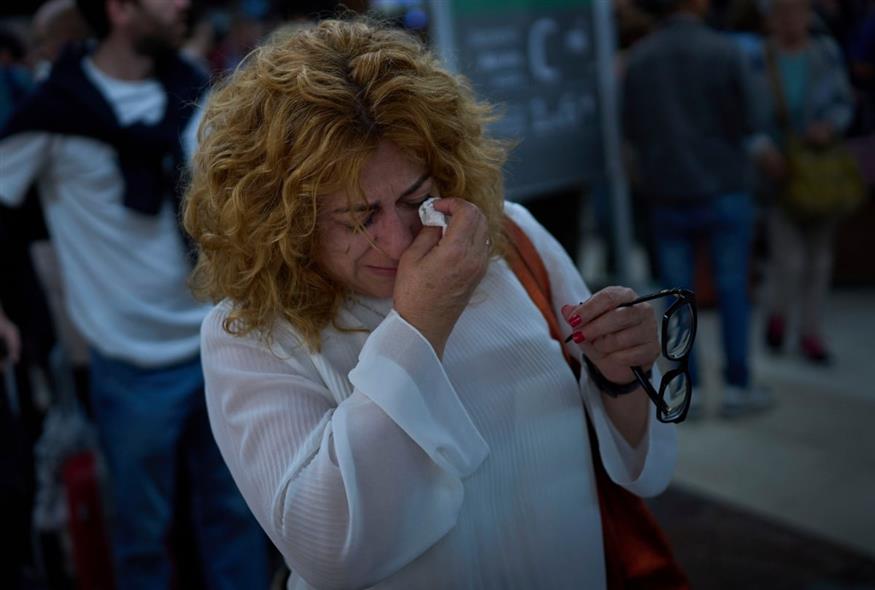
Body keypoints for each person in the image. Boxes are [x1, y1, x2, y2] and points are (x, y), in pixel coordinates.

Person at [183, 18, 680, 589]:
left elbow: (637, 464)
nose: (398, 242)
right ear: (285, 221)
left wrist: (620, 375)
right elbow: (330, 550)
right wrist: (419, 325)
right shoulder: (248, 332)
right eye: (359, 217)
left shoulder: (507, 237)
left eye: (415, 198)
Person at [0, 0, 270, 587]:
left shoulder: (192, 87)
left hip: (220, 341)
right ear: (120, 8)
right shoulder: (56, 111)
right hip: (130, 364)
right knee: (143, 540)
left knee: (236, 517)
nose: (183, 5)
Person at [622, 0, 779, 418]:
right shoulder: (725, 50)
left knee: (677, 298)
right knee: (733, 287)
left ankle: (684, 390)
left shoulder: (641, 58)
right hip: (724, 184)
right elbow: (753, 115)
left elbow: (630, 127)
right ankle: (737, 386)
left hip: (667, 190)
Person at [754, 0, 855, 363]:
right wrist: (763, 149)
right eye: (784, 14)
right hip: (781, 172)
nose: (792, 21)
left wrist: (829, 126)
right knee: (788, 258)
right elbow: (747, 115)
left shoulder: (824, 53)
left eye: (798, 13)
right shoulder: (759, 59)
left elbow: (844, 102)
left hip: (820, 168)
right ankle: (778, 313)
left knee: (819, 258)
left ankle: (811, 331)